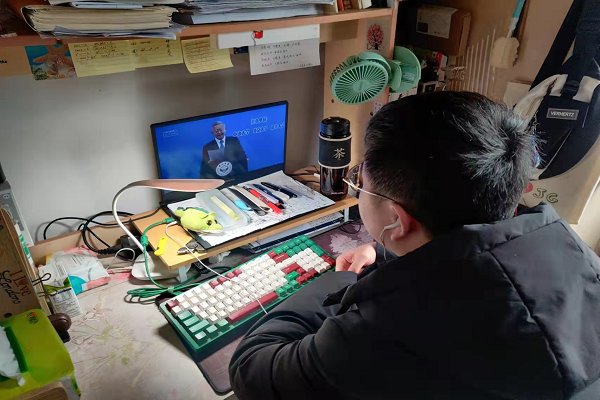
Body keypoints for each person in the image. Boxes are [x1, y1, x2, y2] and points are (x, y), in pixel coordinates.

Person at [229, 91, 600, 399]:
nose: (358, 188)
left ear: (397, 220)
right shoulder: (571, 251)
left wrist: (341, 281)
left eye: (359, 182)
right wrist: (387, 252)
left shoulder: (379, 334)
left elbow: (251, 370)